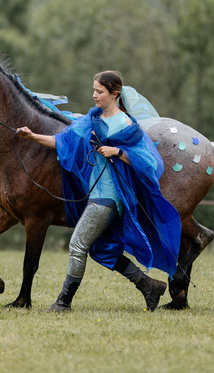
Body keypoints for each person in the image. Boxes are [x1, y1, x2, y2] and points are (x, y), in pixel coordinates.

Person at [17, 71, 181, 312]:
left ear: (114, 94)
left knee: (77, 245)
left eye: (99, 91)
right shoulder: (90, 120)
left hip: (110, 197)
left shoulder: (126, 124)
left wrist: (119, 153)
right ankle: (149, 286)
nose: (94, 95)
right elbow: (62, 141)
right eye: (94, 90)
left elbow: (148, 163)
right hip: (95, 196)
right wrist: (32, 136)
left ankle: (64, 302)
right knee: (100, 249)